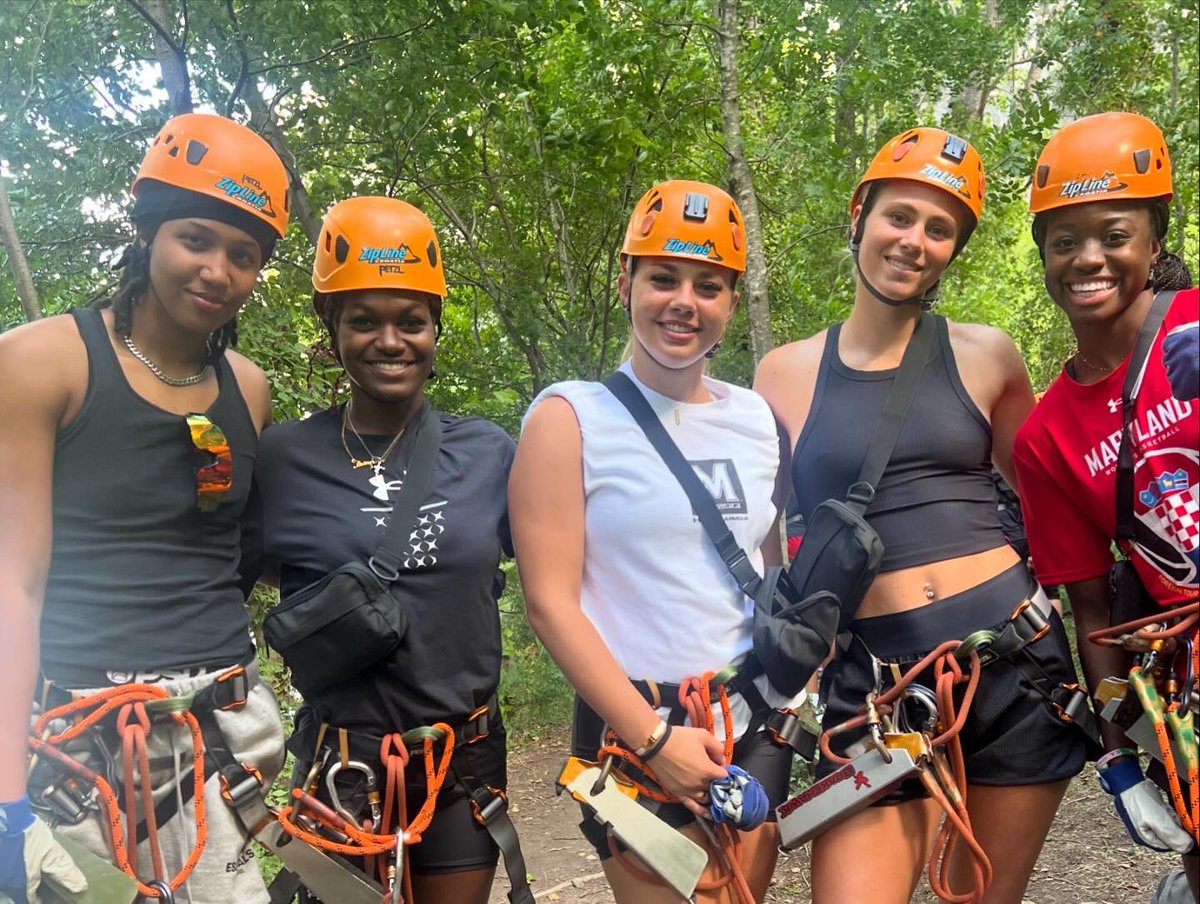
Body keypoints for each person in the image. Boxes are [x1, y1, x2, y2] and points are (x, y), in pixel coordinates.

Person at [755, 127, 1090, 904]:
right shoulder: (784, 373)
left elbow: (1049, 503)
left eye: (940, 230)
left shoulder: (987, 356)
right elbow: (763, 536)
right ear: (860, 214)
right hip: (877, 689)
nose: (915, 242)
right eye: (899, 217)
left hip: (1014, 669)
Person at [0, 112, 290, 903]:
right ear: (149, 231)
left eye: (244, 255)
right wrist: (5, 801)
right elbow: (13, 582)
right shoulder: (42, 363)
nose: (217, 271)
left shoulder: (249, 388)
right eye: (195, 239)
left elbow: (235, 555)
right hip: (81, 736)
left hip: (222, 727)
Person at [509, 179, 800, 903]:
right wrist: (653, 741)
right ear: (626, 281)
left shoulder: (759, 421)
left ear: (732, 301)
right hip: (633, 738)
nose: (684, 302)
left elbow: (773, 569)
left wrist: (797, 697)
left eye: (709, 285)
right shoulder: (569, 417)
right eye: (663, 277)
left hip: (749, 723)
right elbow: (550, 602)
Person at [253, 196, 528, 904]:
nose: (390, 341)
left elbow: (567, 578)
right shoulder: (284, 458)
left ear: (435, 329)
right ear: (330, 326)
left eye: (411, 321)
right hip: (340, 767)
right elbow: (215, 593)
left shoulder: (488, 453)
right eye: (364, 320)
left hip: (458, 761)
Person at [1013, 111, 1199, 904]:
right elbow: (1089, 605)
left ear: (1153, 239)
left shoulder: (1192, 326)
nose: (1089, 257)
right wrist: (1119, 756)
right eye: (1065, 240)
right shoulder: (1045, 436)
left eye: (1113, 233)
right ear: (1046, 259)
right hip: (1187, 678)